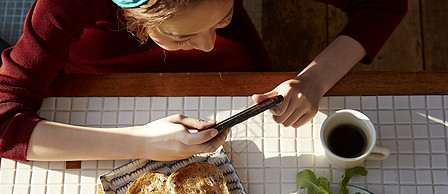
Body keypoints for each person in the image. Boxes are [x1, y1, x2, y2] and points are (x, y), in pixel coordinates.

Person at [0, 0, 407, 162]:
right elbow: (5, 121)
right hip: (103, 79)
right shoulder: (65, 4)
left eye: (223, 18)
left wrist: (316, 79)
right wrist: (141, 143)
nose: (210, 46)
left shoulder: (214, 42)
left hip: (238, 75)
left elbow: (384, 3)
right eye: (182, 35)